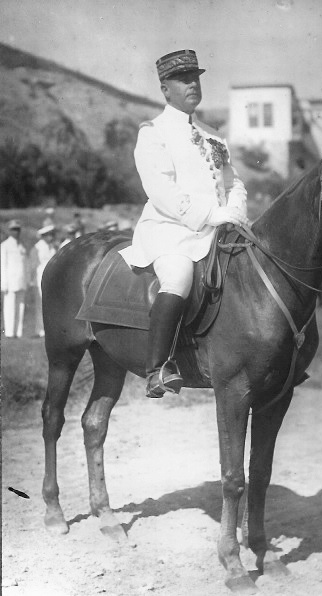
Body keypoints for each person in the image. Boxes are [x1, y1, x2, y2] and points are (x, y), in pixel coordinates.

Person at [119, 49, 248, 398]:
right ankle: (158, 368)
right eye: (183, 79)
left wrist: (234, 207)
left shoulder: (213, 135)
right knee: (178, 276)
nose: (193, 84)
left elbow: (232, 180)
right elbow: (161, 191)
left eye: (196, 77)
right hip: (170, 231)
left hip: (219, 228)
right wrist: (209, 215)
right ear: (165, 90)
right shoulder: (154, 133)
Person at [1, 219, 28, 338]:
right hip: (10, 282)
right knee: (9, 307)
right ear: (9, 231)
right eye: (14, 230)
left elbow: (26, 265)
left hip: (21, 280)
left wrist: (27, 280)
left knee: (20, 307)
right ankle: (9, 332)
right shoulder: (4, 246)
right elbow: (2, 265)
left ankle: (18, 331)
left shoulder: (21, 246)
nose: (16, 232)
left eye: (18, 230)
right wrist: (4, 283)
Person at [29, 224, 57, 337]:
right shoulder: (37, 248)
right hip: (40, 278)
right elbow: (32, 266)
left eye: (52, 234)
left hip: (51, 280)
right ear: (44, 236)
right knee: (40, 305)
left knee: (50, 305)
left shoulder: (53, 247)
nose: (51, 237)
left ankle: (50, 329)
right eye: (49, 235)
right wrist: (32, 281)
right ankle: (40, 330)